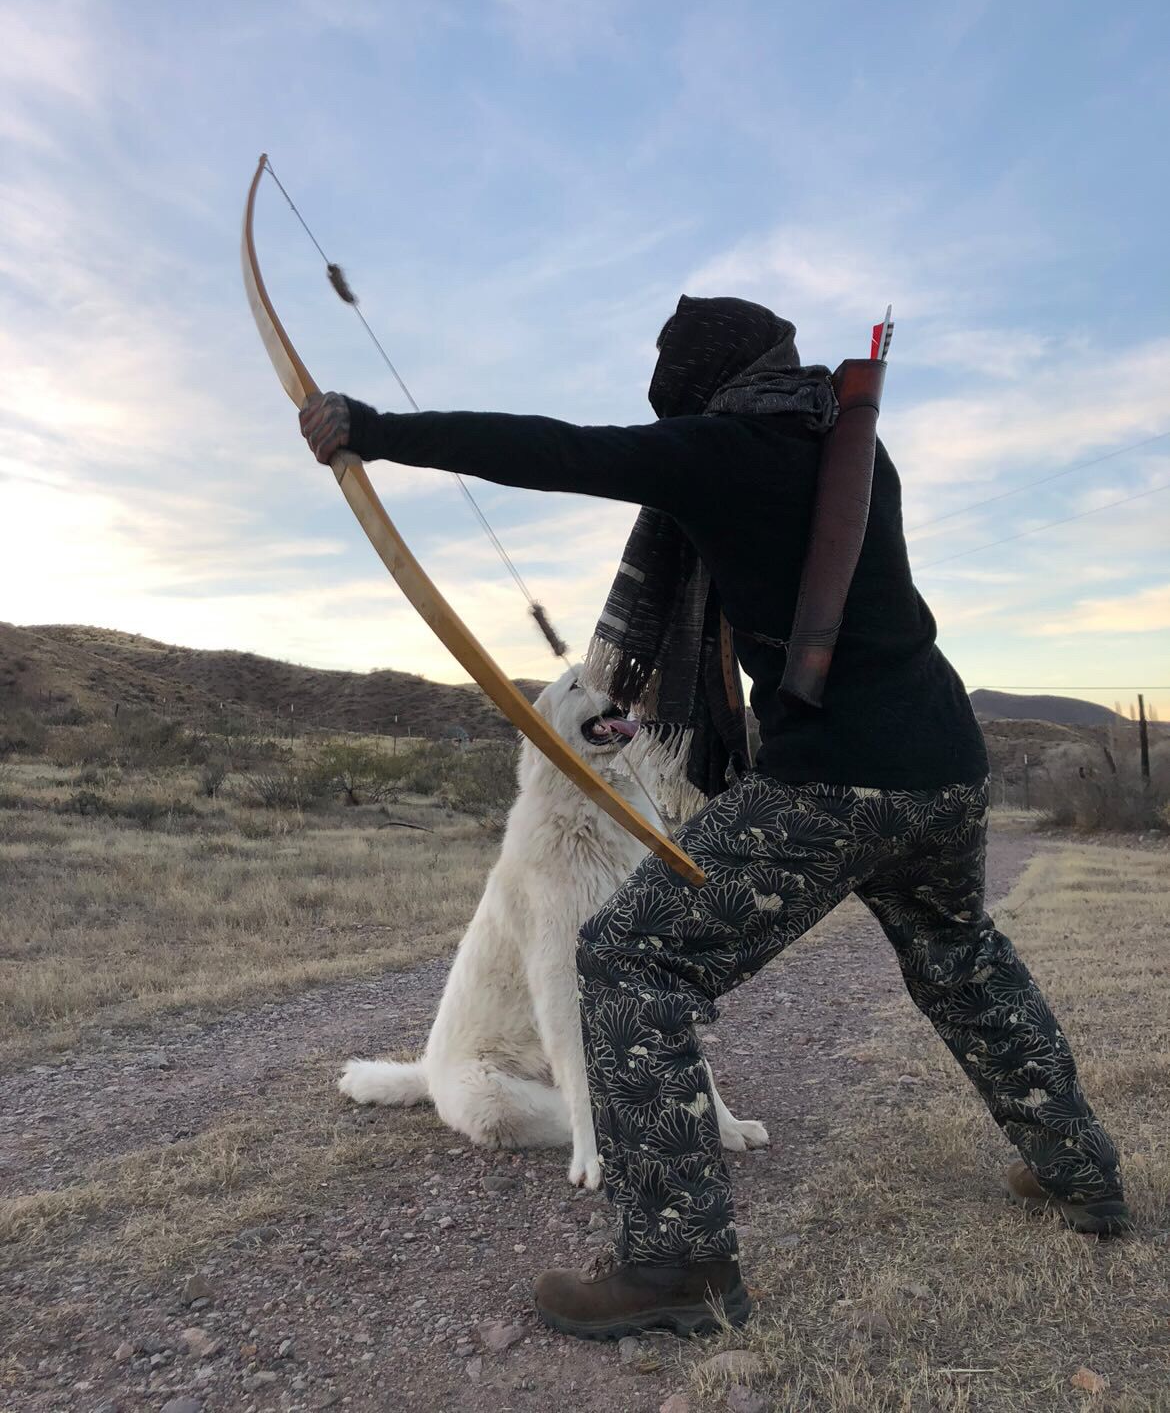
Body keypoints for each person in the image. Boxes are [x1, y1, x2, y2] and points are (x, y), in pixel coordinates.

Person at [300, 294, 1128, 1343]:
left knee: (629, 959)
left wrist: (373, 431)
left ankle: (678, 1263)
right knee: (962, 957)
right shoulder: (854, 446)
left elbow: (555, 451)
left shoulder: (725, 453)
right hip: (948, 764)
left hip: (836, 779)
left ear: (698, 391)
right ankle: (1083, 1176)